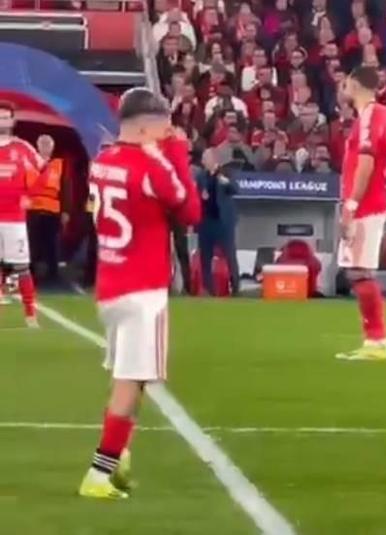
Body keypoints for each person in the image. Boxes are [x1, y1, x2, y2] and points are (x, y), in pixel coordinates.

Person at [78, 88, 201, 500]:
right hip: (142, 288)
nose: (169, 133)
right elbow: (190, 211)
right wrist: (176, 154)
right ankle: (100, 471)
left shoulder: (103, 160)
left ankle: (120, 455)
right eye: (163, 127)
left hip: (111, 281)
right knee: (131, 378)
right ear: (146, 127)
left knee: (135, 373)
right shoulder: (152, 165)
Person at [334, 66, 386, 361]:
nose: (342, 88)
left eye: (345, 83)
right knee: (358, 270)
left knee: (360, 271)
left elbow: (366, 162)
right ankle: (375, 339)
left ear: (355, 85)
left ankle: (377, 340)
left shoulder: (369, 117)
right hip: (371, 201)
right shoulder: (383, 116)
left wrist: (351, 206)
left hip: (365, 205)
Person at [0, 102, 46, 327]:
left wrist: (31, 195)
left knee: (21, 267)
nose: (2, 121)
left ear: (12, 121)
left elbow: (45, 170)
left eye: (5, 117)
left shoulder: (22, 148)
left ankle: (30, 315)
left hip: (14, 218)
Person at [194, 148, 240, 296]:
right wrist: (201, 196)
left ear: (213, 159)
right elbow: (196, 194)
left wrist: (226, 183)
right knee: (205, 257)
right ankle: (209, 290)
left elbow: (236, 190)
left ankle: (236, 287)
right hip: (206, 222)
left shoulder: (227, 173)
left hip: (223, 222)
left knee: (230, 255)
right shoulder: (200, 176)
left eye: (205, 158)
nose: (202, 161)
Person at [27, 134, 69, 287]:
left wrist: (65, 210)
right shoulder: (29, 163)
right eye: (43, 144)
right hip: (33, 209)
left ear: (52, 147)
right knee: (32, 244)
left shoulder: (59, 165)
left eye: (48, 144)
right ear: (37, 146)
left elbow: (65, 188)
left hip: (52, 211)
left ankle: (53, 274)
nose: (45, 147)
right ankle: (31, 274)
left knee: (52, 244)